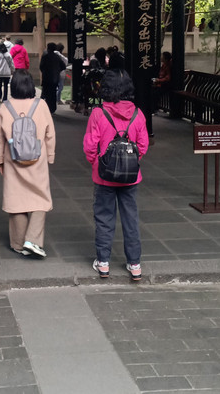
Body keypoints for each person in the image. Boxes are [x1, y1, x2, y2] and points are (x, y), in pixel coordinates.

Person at [82, 68, 149, 282]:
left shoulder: (98, 113)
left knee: (104, 217)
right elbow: (143, 145)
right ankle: (135, 264)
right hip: (130, 178)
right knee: (131, 218)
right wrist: (131, 162)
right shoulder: (138, 114)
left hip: (104, 176)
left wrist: (97, 163)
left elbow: (90, 145)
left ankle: (103, 262)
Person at [0, 69, 56, 258]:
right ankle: (33, 240)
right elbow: (50, 134)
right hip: (38, 160)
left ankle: (19, 243)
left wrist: (0, 160)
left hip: (13, 160)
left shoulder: (5, 107)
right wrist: (50, 156)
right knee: (41, 198)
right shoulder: (41, 105)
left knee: (16, 199)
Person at [39, 42, 63, 114]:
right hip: (55, 78)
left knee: (46, 93)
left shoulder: (45, 56)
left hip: (46, 78)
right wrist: (57, 71)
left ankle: (46, 107)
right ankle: (52, 108)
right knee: (53, 94)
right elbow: (63, 66)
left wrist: (44, 72)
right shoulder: (57, 57)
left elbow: (41, 66)